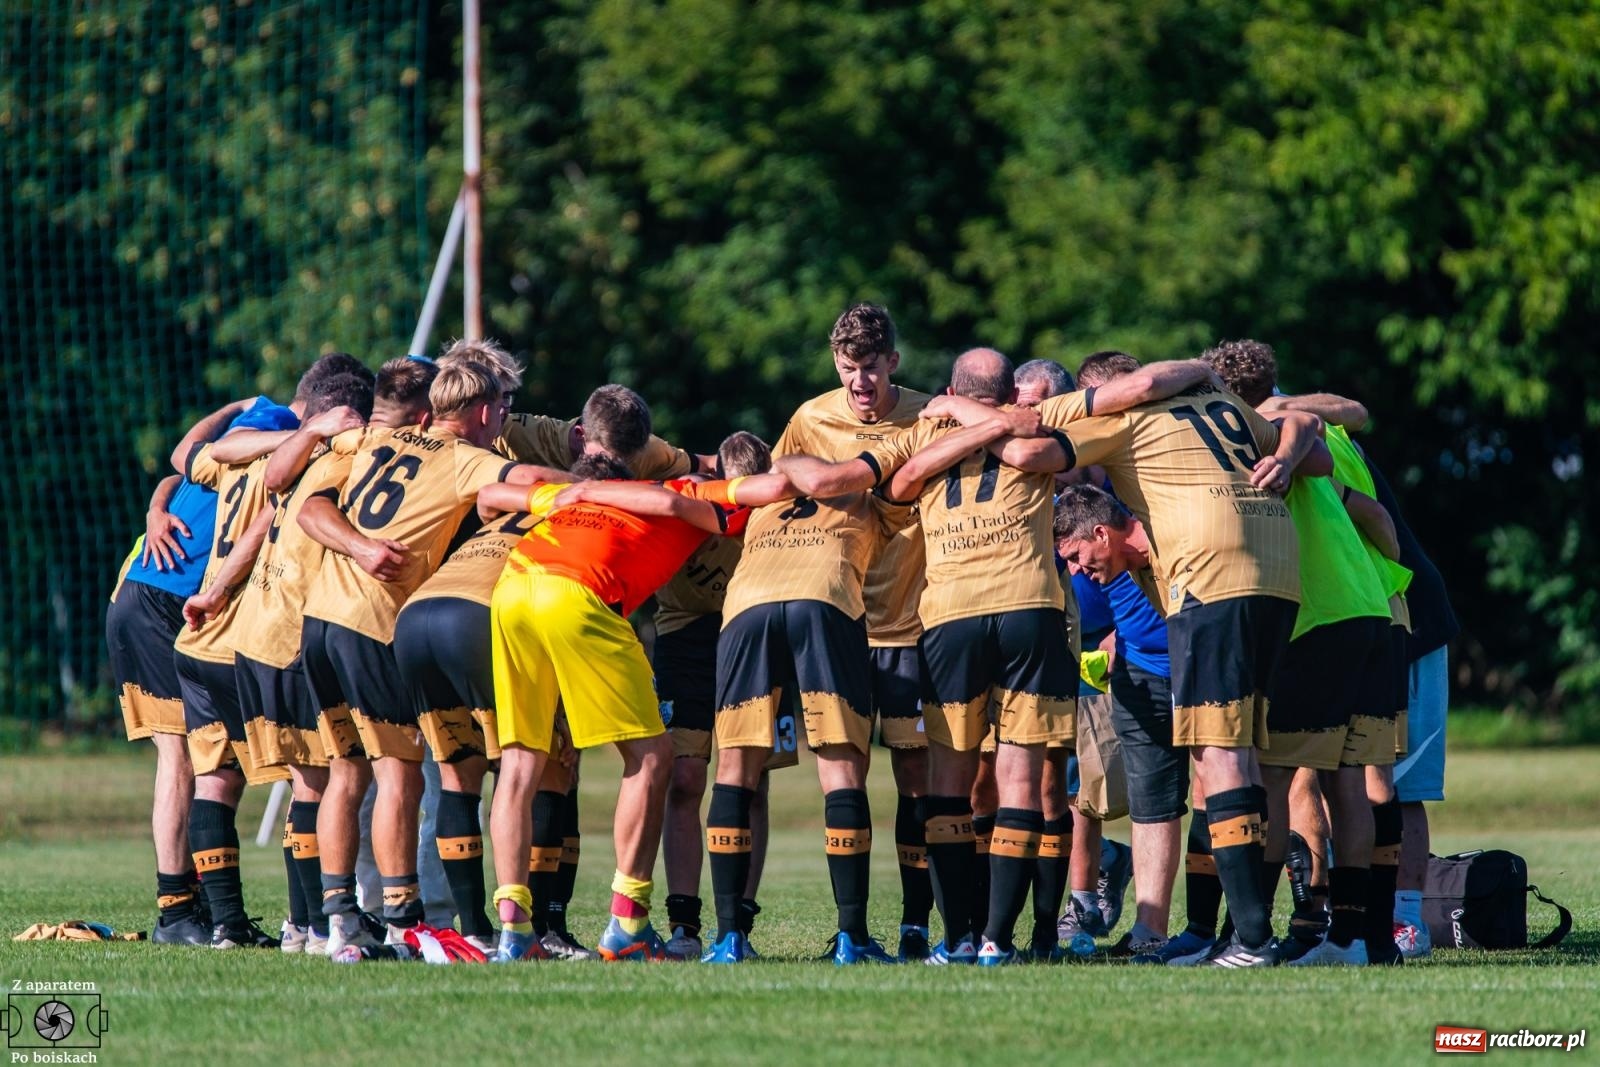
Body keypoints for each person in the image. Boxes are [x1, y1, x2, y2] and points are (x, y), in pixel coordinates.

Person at [944, 350, 1331, 966]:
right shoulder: (1222, 404)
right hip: (1278, 576)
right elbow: (1315, 441)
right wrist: (1281, 457)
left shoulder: (1128, 417)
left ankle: (1253, 940)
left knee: (1219, 757)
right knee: (1248, 760)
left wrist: (949, 407)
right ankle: (1241, 933)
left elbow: (1025, 451)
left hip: (1209, 575)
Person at [480, 463, 797, 962]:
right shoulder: (683, 490)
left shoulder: (580, 494)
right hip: (579, 592)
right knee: (651, 757)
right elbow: (775, 485)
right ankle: (628, 922)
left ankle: (514, 931)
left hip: (512, 589)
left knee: (520, 762)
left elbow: (489, 494)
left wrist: (573, 492)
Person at [297, 360, 545, 954]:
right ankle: (404, 919)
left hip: (317, 621)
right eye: (501, 412)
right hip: (372, 623)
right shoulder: (468, 458)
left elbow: (310, 509)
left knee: (345, 772)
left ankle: (337, 924)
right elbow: (533, 479)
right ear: (484, 413)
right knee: (398, 772)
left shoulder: (376, 437)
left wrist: (355, 545)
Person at [1204, 339, 1409, 966]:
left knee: (1268, 778)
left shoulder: (1253, 438)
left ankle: (1250, 938)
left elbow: (1304, 422)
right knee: (1353, 783)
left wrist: (1284, 457)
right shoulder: (1329, 446)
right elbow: (1373, 510)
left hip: (1317, 620)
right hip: (1375, 612)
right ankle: (1357, 939)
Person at [172, 354, 364, 949]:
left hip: (198, 638)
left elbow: (185, 459)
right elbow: (267, 522)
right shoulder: (313, 458)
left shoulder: (243, 447)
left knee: (215, 782)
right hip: (251, 634)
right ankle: (304, 923)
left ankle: (228, 926)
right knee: (315, 778)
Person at [106, 393, 302, 944]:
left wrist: (157, 503)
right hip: (161, 597)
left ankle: (209, 911)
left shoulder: (286, 442)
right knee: (183, 758)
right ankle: (175, 913)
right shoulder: (280, 422)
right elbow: (200, 450)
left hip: (164, 597)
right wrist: (261, 407)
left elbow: (183, 466)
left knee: (215, 759)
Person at [655, 432, 796, 961]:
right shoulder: (686, 498)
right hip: (685, 640)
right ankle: (683, 922)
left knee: (752, 782)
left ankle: (738, 919)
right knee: (686, 778)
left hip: (756, 635)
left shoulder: (779, 505)